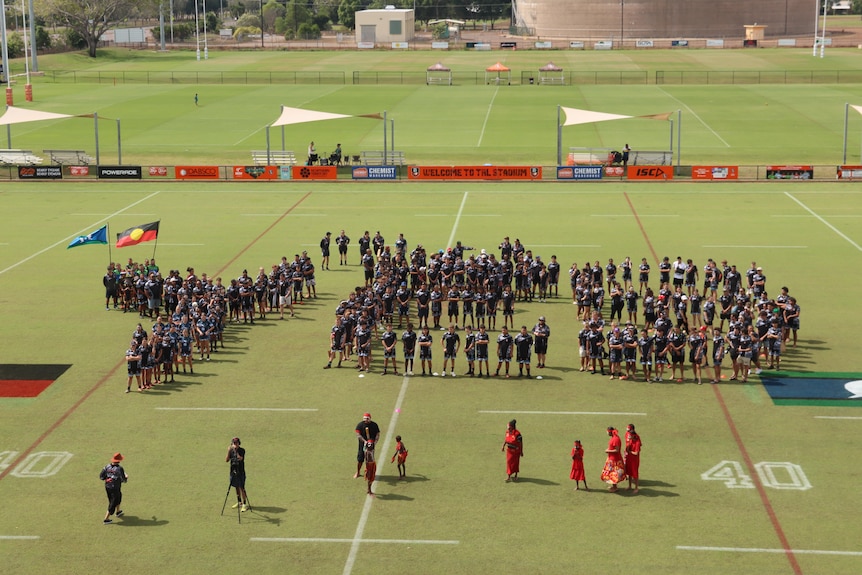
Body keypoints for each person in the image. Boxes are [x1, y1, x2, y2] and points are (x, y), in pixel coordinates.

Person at [99, 452, 128, 524]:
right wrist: (126, 477)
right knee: (113, 502)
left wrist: (107, 479)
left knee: (118, 497)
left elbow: (101, 476)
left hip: (108, 487)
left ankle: (118, 511)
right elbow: (123, 479)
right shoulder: (119, 468)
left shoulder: (106, 467)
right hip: (115, 487)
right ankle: (106, 519)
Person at [226, 437, 249, 512]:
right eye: (234, 443)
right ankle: (239, 502)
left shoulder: (242, 450)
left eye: (237, 443)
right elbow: (227, 460)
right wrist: (229, 451)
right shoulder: (231, 450)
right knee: (236, 487)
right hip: (233, 471)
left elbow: (240, 458)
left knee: (242, 487)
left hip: (241, 472)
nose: (235, 444)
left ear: (239, 443)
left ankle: (244, 504)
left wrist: (235, 451)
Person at [600, 427, 626, 492]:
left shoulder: (616, 439)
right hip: (611, 459)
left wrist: (608, 450)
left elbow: (617, 450)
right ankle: (614, 486)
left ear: (610, 432)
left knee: (614, 474)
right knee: (611, 473)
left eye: (608, 432)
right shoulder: (614, 438)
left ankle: (615, 487)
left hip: (615, 460)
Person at [354, 412, 380, 478]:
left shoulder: (374, 425)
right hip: (363, 445)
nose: (366, 420)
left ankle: (369, 472)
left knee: (370, 460)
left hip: (371, 446)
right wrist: (365, 441)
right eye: (364, 418)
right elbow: (358, 435)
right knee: (360, 459)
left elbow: (377, 434)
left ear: (370, 419)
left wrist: (375, 442)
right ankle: (358, 472)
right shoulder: (360, 425)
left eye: (367, 418)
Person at [624, 424, 641, 493]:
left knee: (635, 474)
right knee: (629, 472)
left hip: (634, 460)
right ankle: (630, 486)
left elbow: (636, 453)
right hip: (629, 458)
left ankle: (636, 487)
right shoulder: (631, 440)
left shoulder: (637, 442)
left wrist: (630, 451)